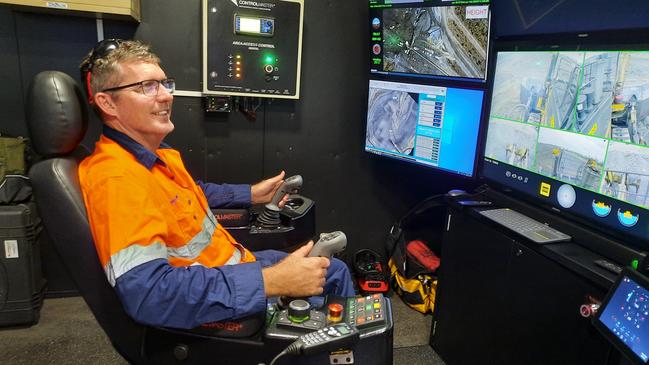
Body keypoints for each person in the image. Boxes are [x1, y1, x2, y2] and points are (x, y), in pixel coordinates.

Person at [77, 39, 355, 329]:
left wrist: (252, 194)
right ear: (107, 102)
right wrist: (270, 282)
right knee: (331, 273)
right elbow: (150, 295)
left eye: (164, 84)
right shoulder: (117, 179)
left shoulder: (156, 157)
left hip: (229, 266)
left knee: (332, 269)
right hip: (211, 302)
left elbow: (193, 193)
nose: (165, 96)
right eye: (146, 87)